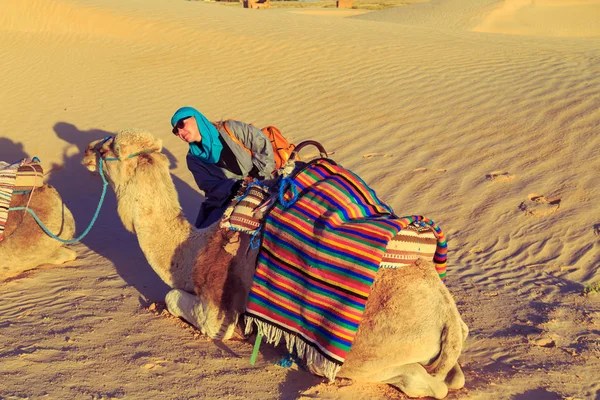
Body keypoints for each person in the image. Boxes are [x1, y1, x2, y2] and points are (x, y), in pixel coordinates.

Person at [171, 106, 275, 229]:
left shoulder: (231, 129)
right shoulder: (193, 159)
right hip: (230, 198)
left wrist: (258, 174)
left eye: (181, 124)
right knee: (207, 237)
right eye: (176, 131)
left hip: (264, 181)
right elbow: (210, 186)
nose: (180, 132)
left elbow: (262, 145)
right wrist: (237, 186)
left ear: (196, 118)